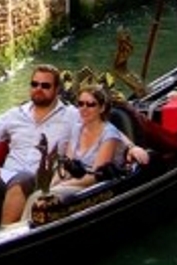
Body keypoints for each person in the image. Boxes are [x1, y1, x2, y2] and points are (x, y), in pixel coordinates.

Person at [0, 65, 146, 236]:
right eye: (34, 84)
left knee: (21, 179)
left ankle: (2, 235)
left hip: (36, 179)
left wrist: (132, 146)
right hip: (2, 175)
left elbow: (107, 130)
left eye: (45, 86)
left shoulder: (73, 115)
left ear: (56, 90)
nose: (38, 89)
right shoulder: (15, 114)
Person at [19, 85, 146, 222]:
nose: (84, 109)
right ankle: (19, 228)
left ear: (101, 108)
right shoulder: (77, 128)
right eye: (80, 104)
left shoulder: (109, 135)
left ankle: (27, 228)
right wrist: (52, 185)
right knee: (38, 195)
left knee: (44, 201)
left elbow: (95, 177)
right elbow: (66, 165)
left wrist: (62, 186)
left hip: (92, 187)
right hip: (73, 181)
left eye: (90, 104)